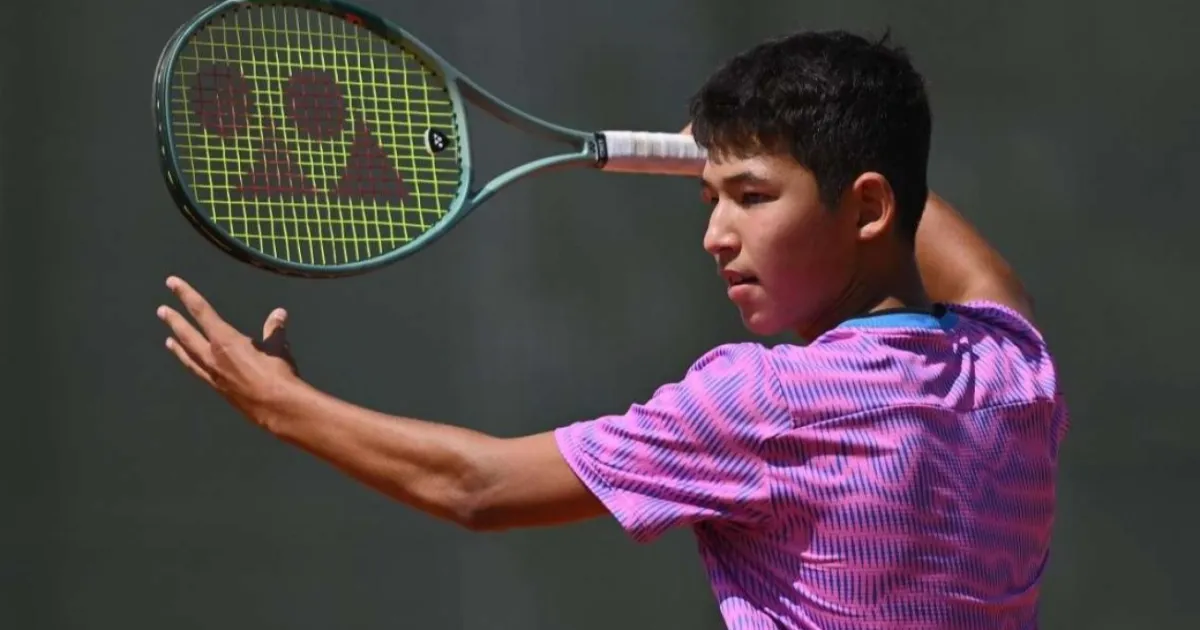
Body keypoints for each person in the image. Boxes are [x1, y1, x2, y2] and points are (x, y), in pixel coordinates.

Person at [156, 29, 1069, 629]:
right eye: (711, 199)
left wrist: (280, 403)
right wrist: (758, 159)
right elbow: (972, 266)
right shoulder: (1011, 368)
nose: (715, 233)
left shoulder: (767, 401)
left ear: (866, 205)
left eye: (750, 200)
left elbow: (476, 487)